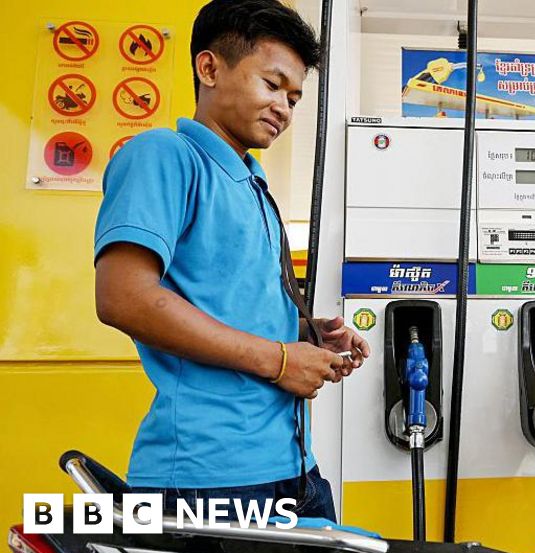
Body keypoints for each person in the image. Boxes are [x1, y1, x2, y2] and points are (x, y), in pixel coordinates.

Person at [93, 0, 369, 520]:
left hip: (293, 464)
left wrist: (307, 334)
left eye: (294, 97)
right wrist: (281, 360)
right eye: (272, 85)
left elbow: (229, 303)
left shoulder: (251, 181)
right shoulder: (165, 155)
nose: (284, 108)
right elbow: (124, 298)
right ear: (209, 68)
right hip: (210, 478)